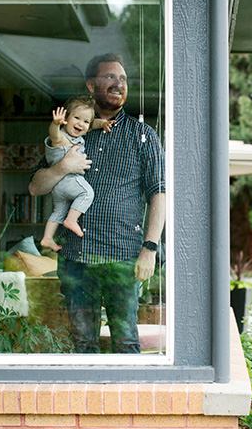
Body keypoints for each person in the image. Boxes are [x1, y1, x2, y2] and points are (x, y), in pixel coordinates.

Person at [29, 53, 165, 353]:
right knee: (82, 343)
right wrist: (62, 167)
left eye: (124, 79)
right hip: (77, 258)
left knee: (127, 341)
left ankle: (128, 402)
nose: (119, 84)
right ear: (91, 86)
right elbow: (35, 188)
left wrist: (150, 249)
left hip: (123, 257)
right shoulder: (71, 133)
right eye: (110, 77)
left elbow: (158, 194)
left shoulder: (143, 135)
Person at [40, 96, 114, 252]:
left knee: (58, 211)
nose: (81, 124)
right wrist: (55, 124)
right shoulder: (62, 138)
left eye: (85, 121)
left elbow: (92, 123)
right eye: (77, 118)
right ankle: (72, 220)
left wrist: (103, 123)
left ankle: (47, 238)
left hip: (58, 187)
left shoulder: (79, 133)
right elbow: (54, 134)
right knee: (87, 193)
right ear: (66, 118)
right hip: (69, 180)